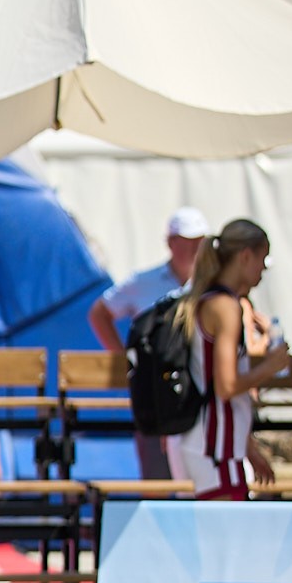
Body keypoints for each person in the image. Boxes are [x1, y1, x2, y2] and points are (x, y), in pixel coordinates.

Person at [167, 218, 291, 499]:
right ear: (245, 256)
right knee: (227, 528)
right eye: (262, 259)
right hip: (215, 447)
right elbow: (226, 386)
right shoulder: (225, 306)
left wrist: (248, 448)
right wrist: (271, 366)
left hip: (214, 444)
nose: (263, 270)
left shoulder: (213, 300)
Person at [88, 206, 207, 480]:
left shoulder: (211, 287)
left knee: (200, 486)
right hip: (157, 397)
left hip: (197, 398)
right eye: (187, 241)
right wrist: (124, 358)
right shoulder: (145, 282)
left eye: (199, 241)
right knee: (158, 484)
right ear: (171, 243)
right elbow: (99, 313)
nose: (194, 248)